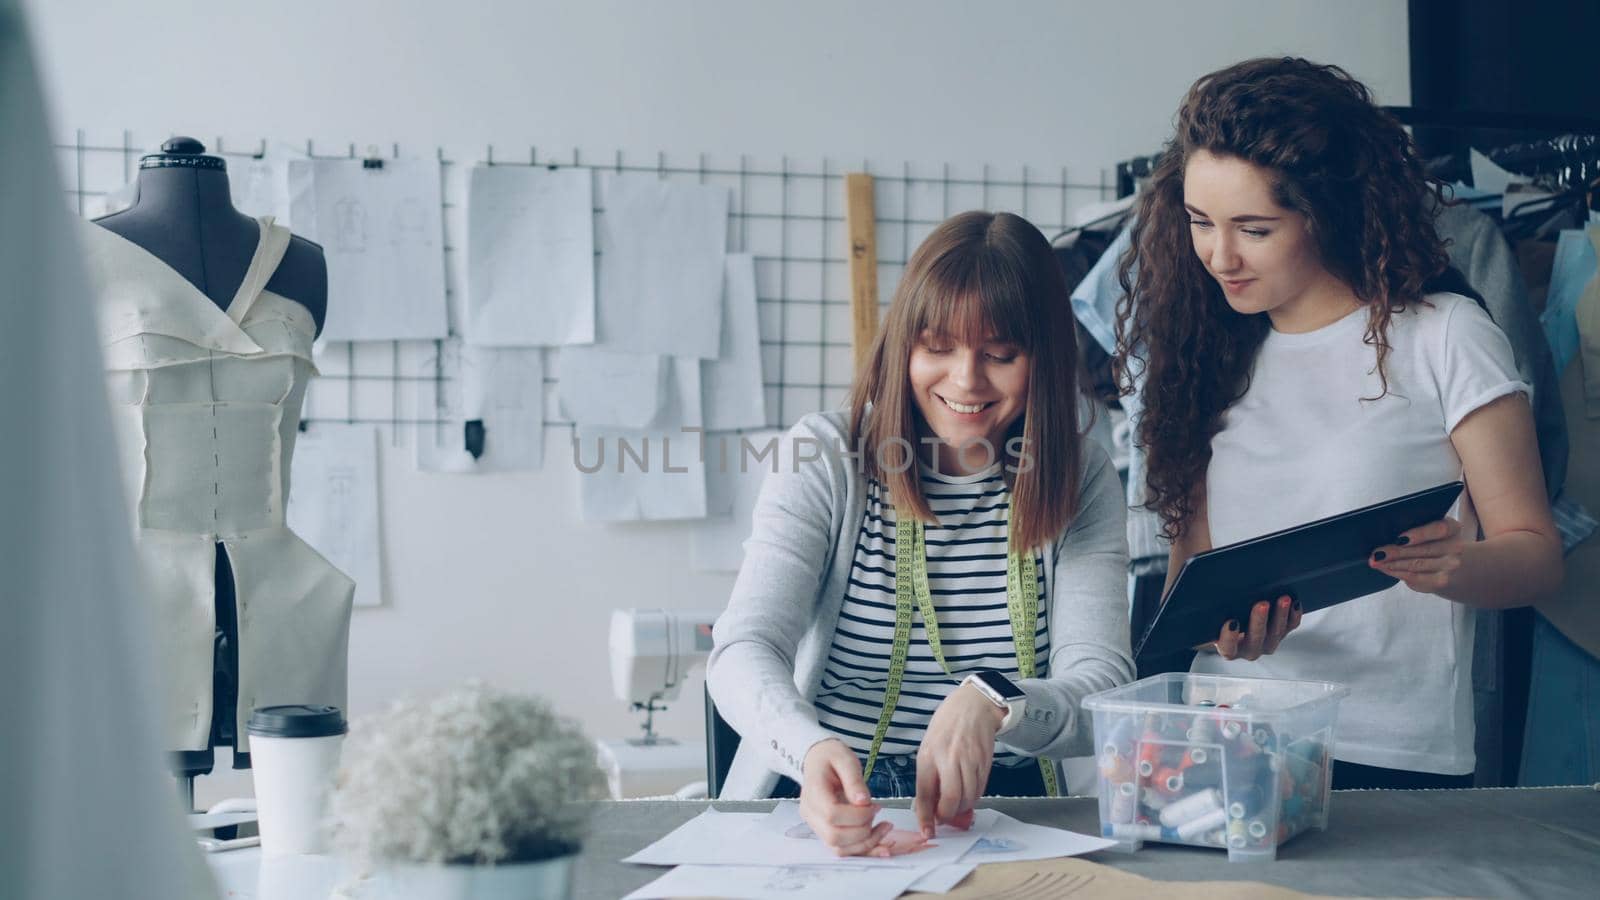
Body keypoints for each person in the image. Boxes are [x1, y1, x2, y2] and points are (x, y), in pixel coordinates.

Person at [1115, 57, 1564, 789]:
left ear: (1326, 211)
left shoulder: (1445, 335)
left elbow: (1538, 558)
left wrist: (1458, 565)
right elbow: (1188, 600)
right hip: (1226, 745)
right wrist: (1226, 634)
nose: (1218, 256)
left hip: (1391, 751)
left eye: (1254, 229)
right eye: (1199, 223)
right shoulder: (1203, 353)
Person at [708, 211, 1133, 855]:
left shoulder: (1080, 474)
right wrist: (809, 749)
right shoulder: (827, 457)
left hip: (1017, 811)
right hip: (834, 798)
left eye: (1000, 354)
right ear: (903, 343)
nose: (966, 380)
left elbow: (1100, 682)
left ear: (1043, 357)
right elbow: (743, 649)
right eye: (938, 347)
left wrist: (995, 701)